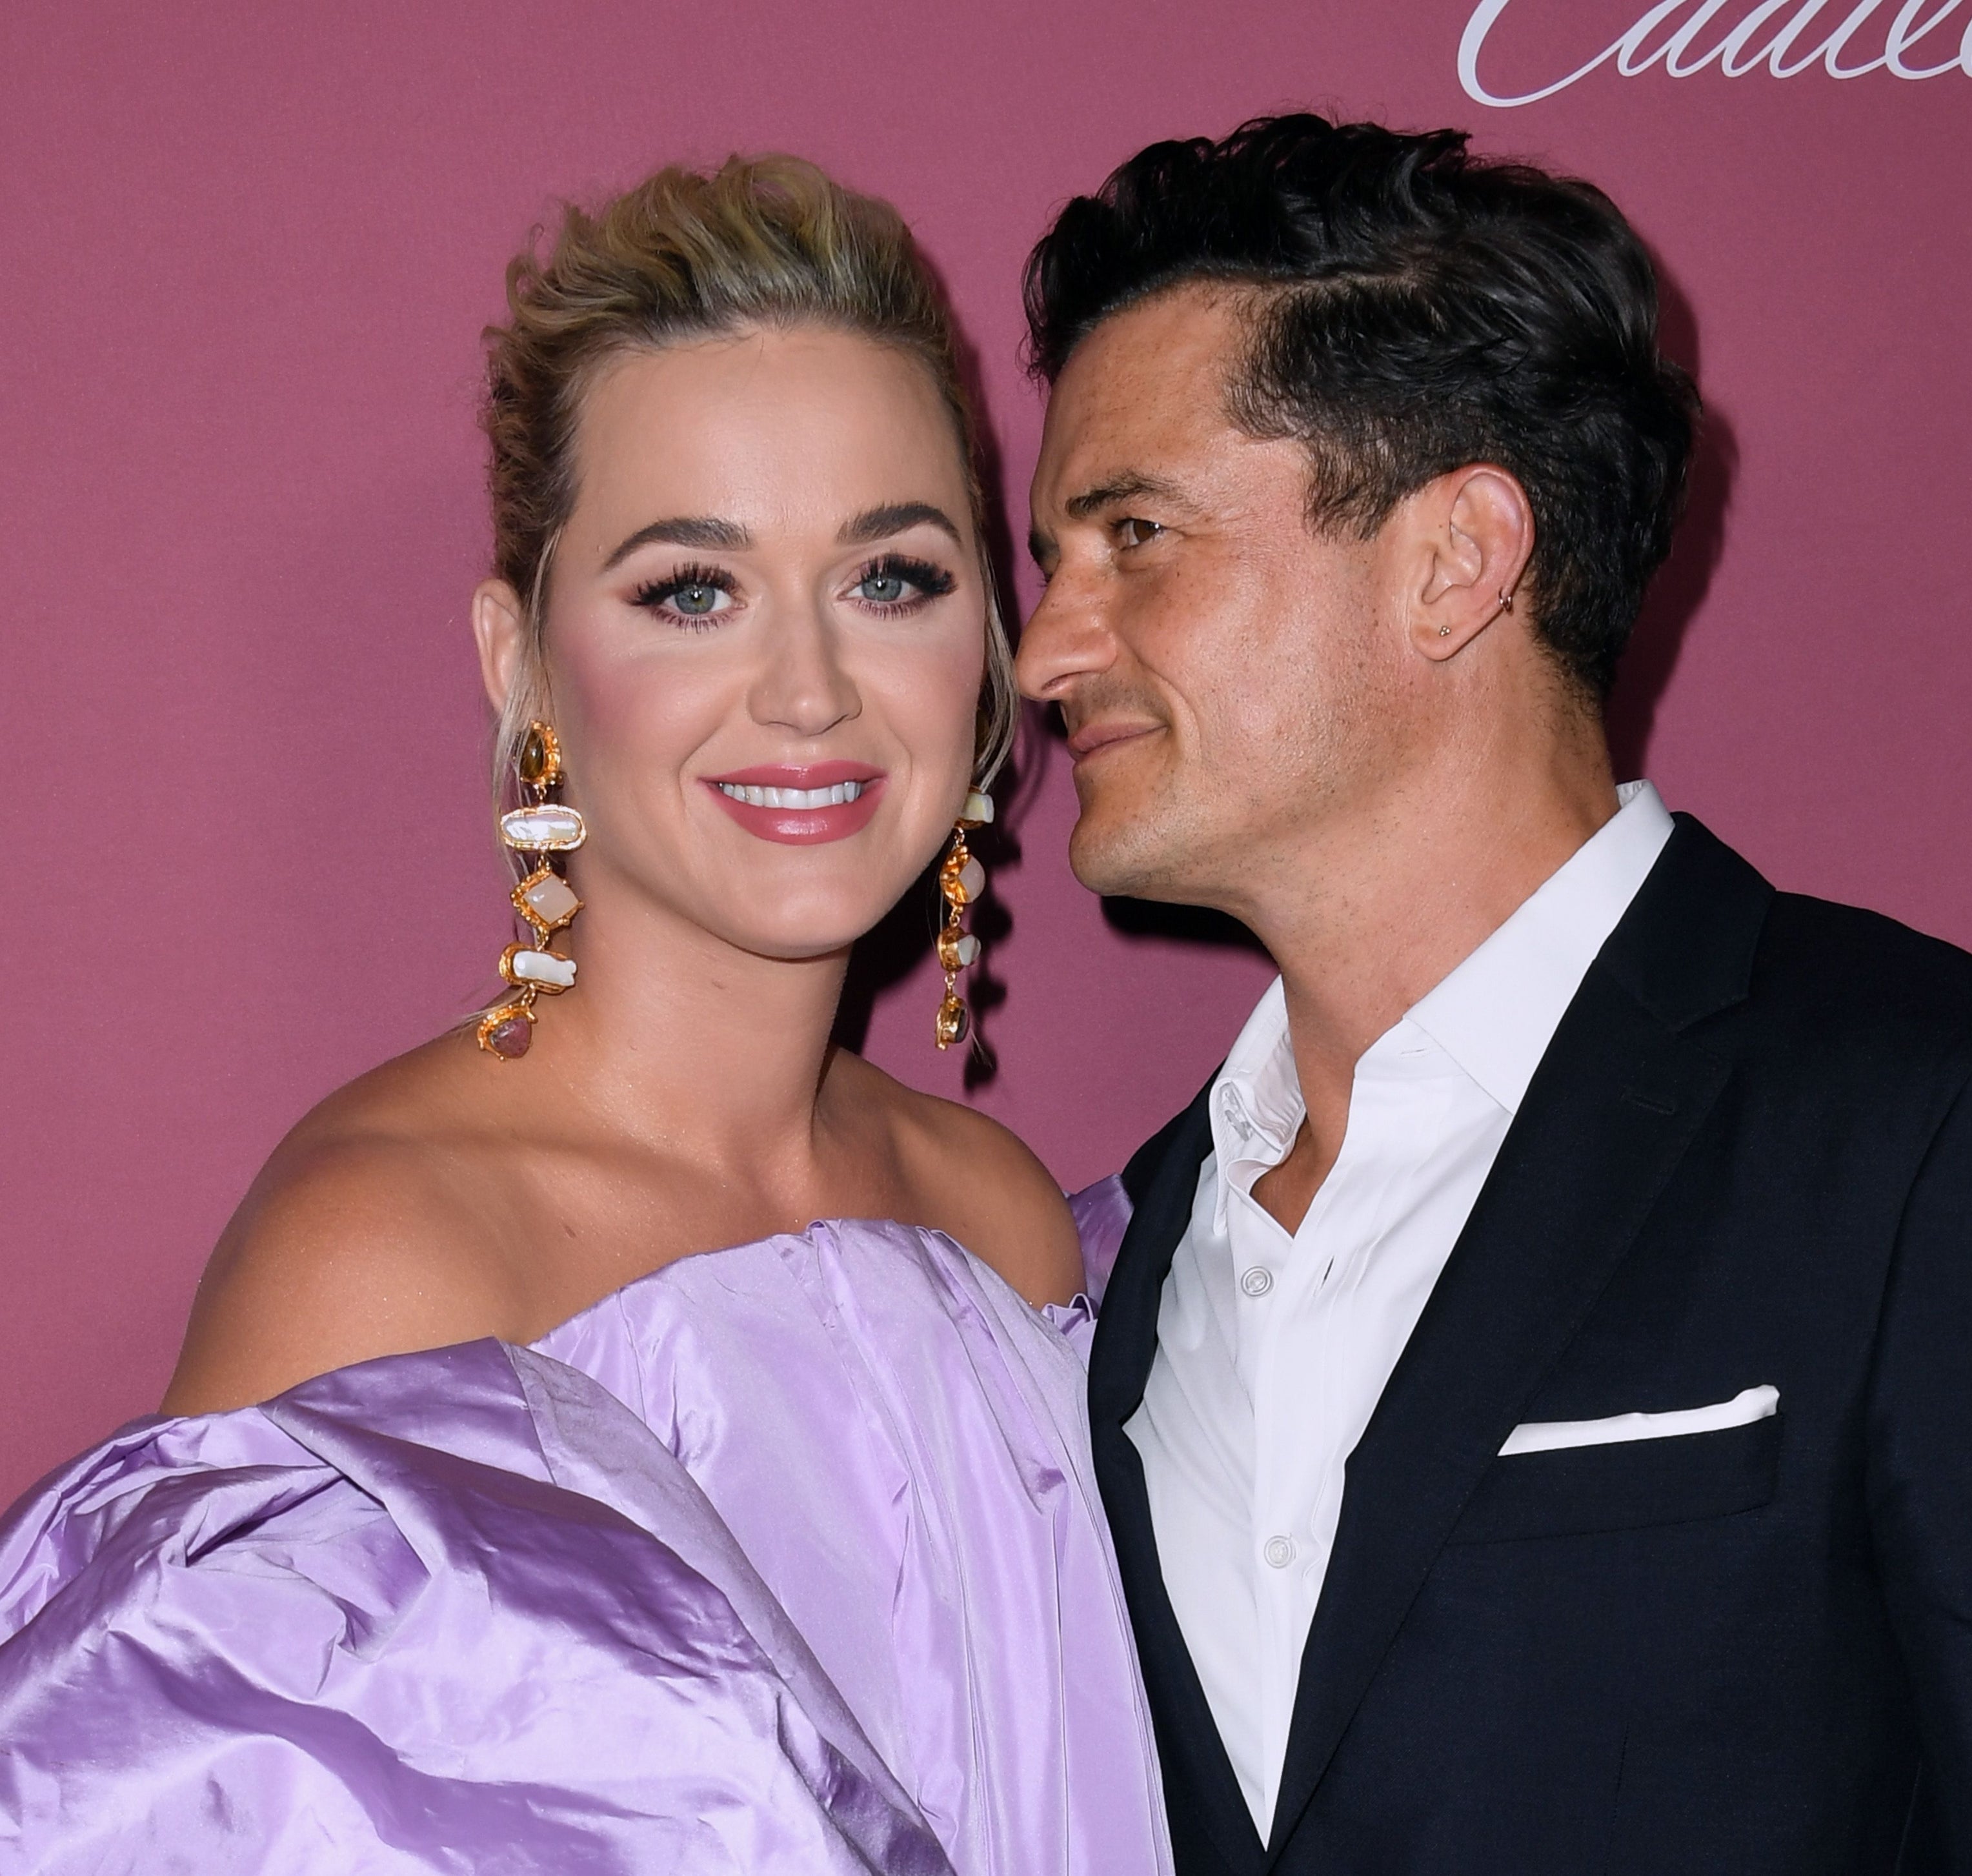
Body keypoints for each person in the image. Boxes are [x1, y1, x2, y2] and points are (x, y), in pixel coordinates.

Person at [0, 155, 1170, 1876]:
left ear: (991, 649)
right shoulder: (390, 1258)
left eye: (892, 578)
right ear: (526, 661)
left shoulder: (999, 1222)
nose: (808, 689)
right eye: (692, 589)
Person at [1016, 114, 1972, 1875]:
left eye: (1134, 534)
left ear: (1456, 560)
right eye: (1050, 558)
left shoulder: (1915, 1118)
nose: (1047, 650)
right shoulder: (1121, 1257)